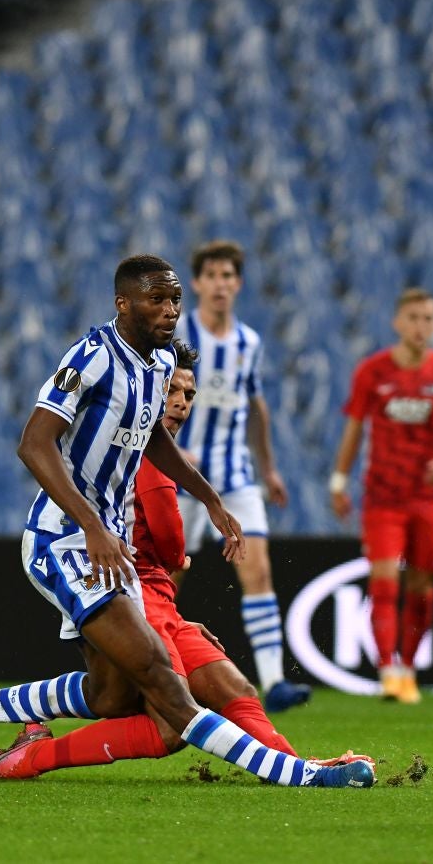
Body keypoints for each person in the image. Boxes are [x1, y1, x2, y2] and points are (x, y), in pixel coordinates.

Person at [0, 254, 373, 789]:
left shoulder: (162, 361)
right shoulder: (90, 357)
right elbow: (33, 443)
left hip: (107, 545)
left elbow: (152, 437)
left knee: (110, 697)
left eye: (173, 300)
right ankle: (294, 774)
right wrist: (93, 525)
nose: (170, 310)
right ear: (124, 303)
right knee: (166, 687)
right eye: (156, 300)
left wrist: (210, 499)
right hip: (64, 540)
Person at [173, 240, 310, 712]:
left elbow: (256, 407)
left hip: (235, 476)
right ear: (197, 283)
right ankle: (158, 669)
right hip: (182, 477)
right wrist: (168, 445)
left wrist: (268, 468)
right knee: (168, 578)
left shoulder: (248, 342)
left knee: (259, 570)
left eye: (228, 276)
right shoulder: (178, 334)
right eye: (211, 275)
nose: (220, 284)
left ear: (238, 284)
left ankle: (274, 682)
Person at [328, 287, 433, 704]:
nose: (421, 326)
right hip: (383, 495)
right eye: (413, 317)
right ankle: (388, 669)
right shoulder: (372, 371)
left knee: (423, 585)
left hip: (428, 495)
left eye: (428, 318)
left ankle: (408, 667)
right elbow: (354, 429)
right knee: (385, 580)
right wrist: (339, 481)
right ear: (397, 322)